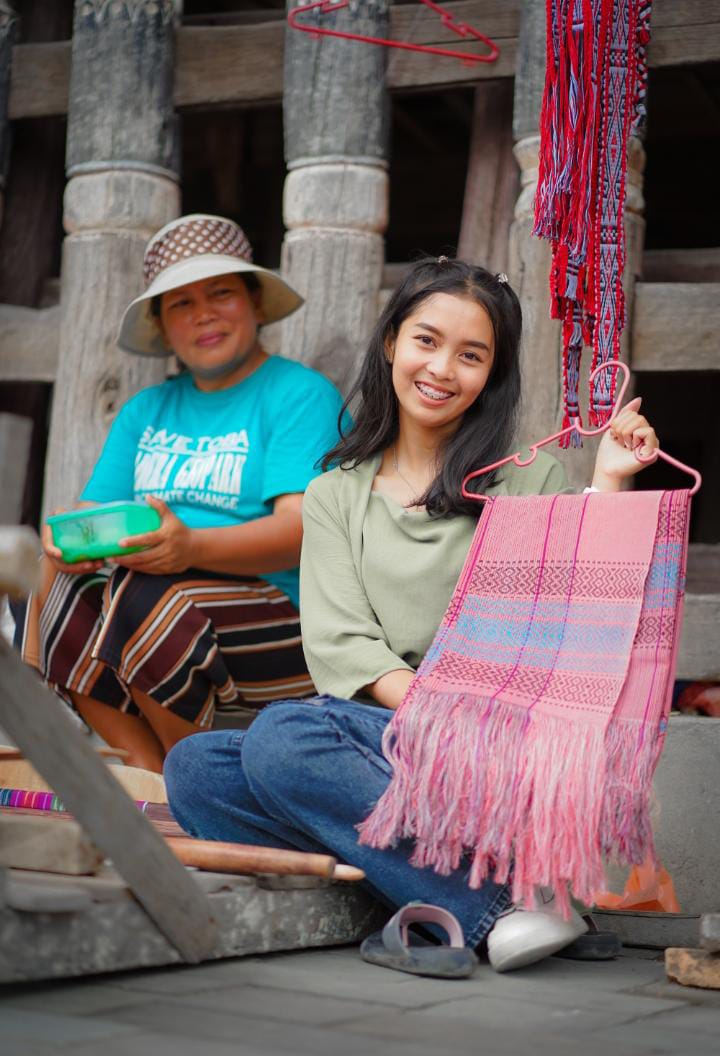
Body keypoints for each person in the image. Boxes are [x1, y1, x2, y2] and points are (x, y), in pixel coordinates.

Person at [165, 258, 659, 968]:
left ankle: (481, 906)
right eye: (427, 340)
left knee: (283, 737)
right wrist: (429, 719)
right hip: (396, 732)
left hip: (494, 740)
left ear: (493, 373)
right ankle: (493, 894)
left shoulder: (526, 479)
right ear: (393, 342)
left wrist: (610, 478)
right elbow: (344, 647)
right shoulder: (337, 491)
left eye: (471, 355)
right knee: (197, 769)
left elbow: (577, 609)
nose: (442, 368)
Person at [15, 214, 345, 772]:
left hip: (281, 622)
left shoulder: (297, 394)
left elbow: (298, 532)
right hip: (153, 607)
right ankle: (148, 777)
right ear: (163, 327)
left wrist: (188, 548)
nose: (204, 314)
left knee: (146, 593)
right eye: (180, 304)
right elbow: (94, 515)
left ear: (256, 303)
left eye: (221, 293)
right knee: (45, 592)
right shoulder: (146, 411)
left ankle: (188, 770)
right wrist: (67, 541)